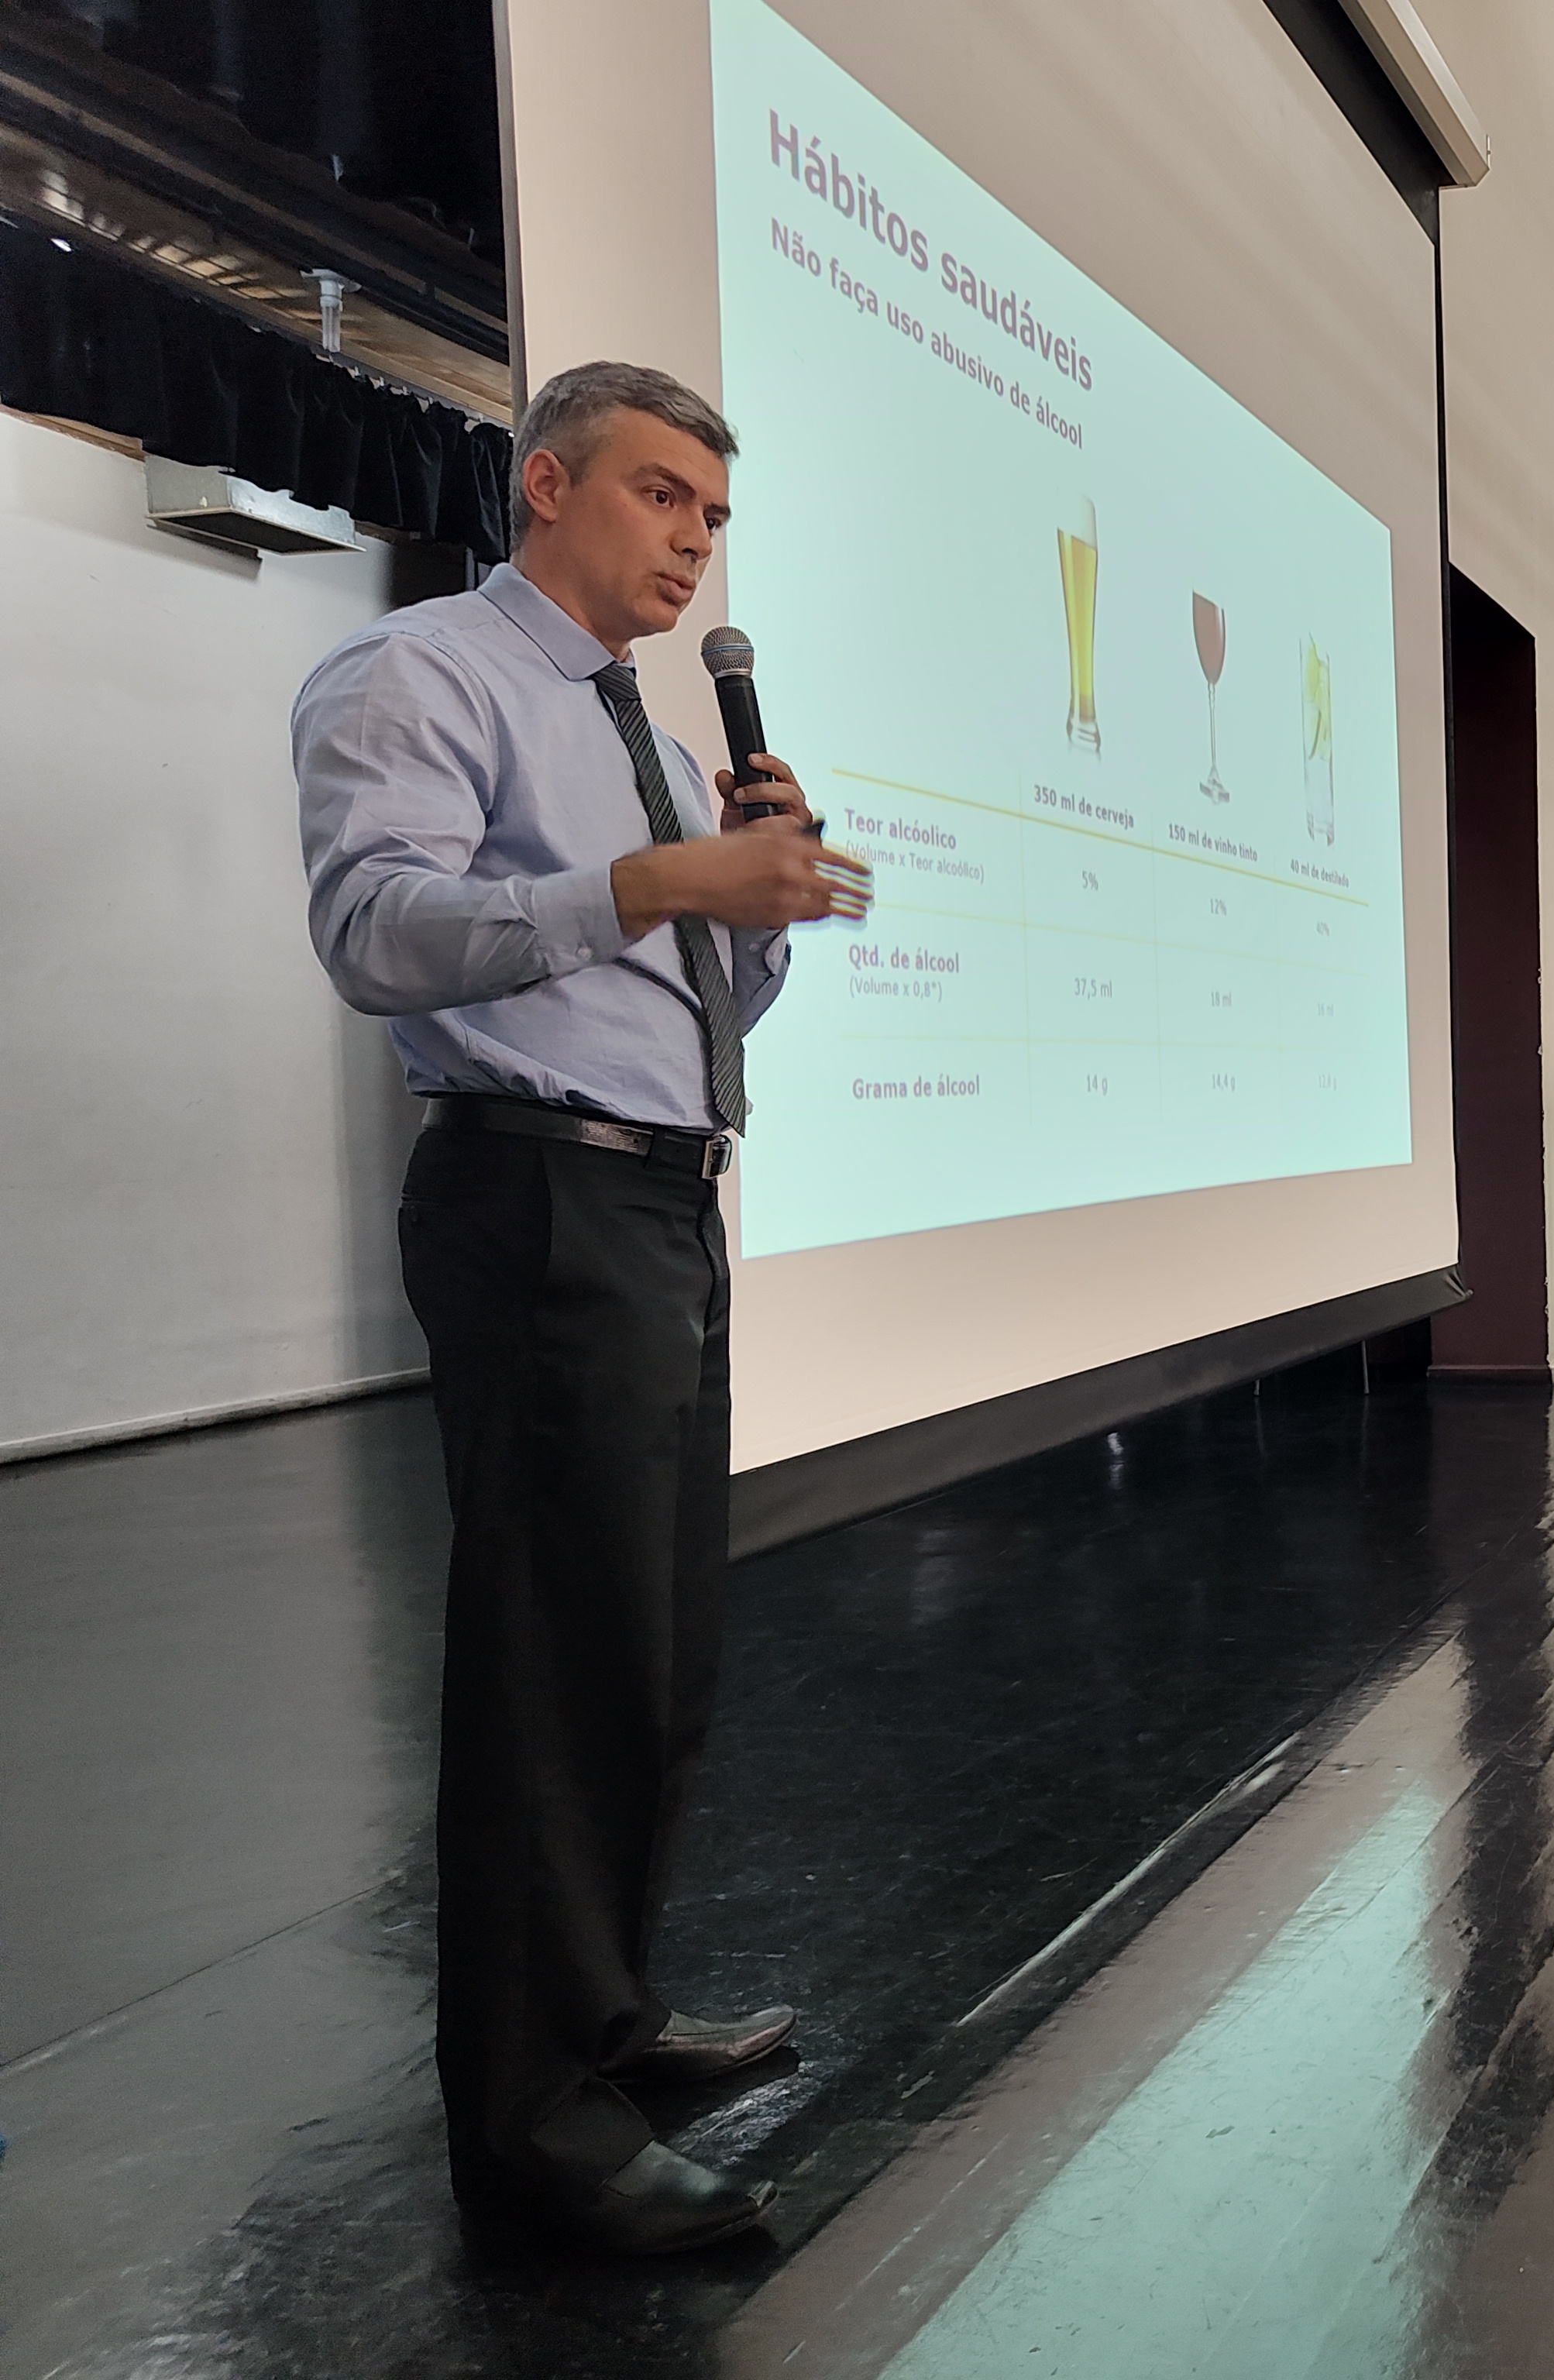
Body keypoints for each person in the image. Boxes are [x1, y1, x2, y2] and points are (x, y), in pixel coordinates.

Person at [293, 362, 872, 2254]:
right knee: (554, 1663)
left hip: (661, 1199)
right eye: (660, 493)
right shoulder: (422, 674)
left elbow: (695, 1007)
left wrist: (749, 912)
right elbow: (374, 930)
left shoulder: (652, 740)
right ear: (546, 484)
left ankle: (605, 2017)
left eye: (714, 513)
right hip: (534, 1192)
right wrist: (649, 876)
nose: (695, 541)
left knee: (648, 1642)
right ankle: (533, 2133)